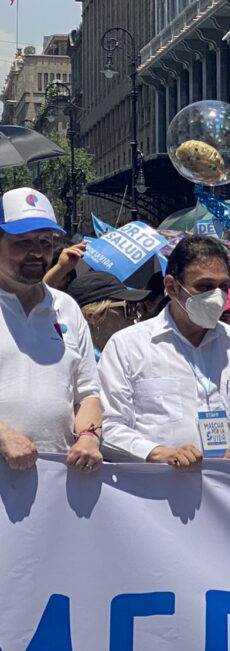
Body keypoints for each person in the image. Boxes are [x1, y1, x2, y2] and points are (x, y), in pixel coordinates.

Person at [100, 236, 230, 468]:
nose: (217, 296)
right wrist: (157, 453)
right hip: (158, 491)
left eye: (223, 287)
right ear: (172, 286)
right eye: (204, 287)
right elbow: (109, 426)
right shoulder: (128, 346)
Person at [0, 188, 102, 472]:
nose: (36, 252)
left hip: (55, 482)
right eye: (23, 243)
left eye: (45, 242)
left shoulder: (67, 307)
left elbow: (87, 392)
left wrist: (89, 438)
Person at [65, 271, 151, 356]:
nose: (134, 317)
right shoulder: (72, 362)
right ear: (92, 316)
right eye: (128, 308)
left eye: (135, 307)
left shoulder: (125, 357)